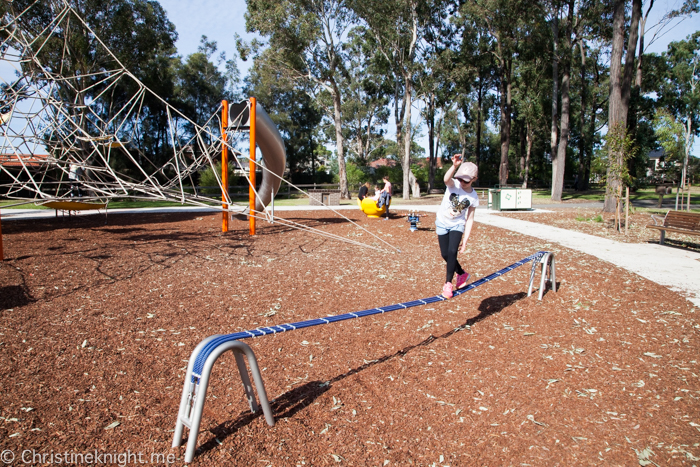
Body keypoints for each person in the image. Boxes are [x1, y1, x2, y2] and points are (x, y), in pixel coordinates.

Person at [436, 154, 479, 298]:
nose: (461, 182)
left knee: (452, 251)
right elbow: (446, 179)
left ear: (474, 179)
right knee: (445, 254)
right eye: (459, 178)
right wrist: (454, 166)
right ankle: (462, 273)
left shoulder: (473, 197)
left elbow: (470, 219)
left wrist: (465, 240)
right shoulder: (453, 185)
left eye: (465, 180)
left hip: (457, 225)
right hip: (442, 222)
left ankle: (448, 284)